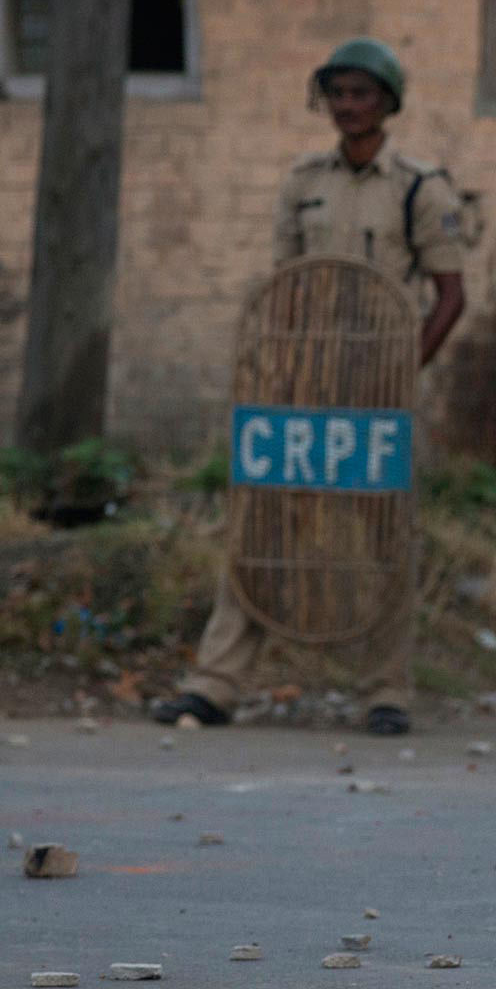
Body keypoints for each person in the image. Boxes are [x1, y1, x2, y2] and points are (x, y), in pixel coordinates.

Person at [153, 37, 465, 738]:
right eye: (338, 93)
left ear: (387, 101)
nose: (349, 106)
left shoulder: (420, 185)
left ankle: (387, 691)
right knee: (263, 523)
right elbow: (284, 287)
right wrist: (282, 371)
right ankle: (216, 684)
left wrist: (400, 369)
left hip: (378, 391)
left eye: (362, 93)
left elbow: (451, 296)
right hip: (301, 385)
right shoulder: (301, 180)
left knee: (385, 533)